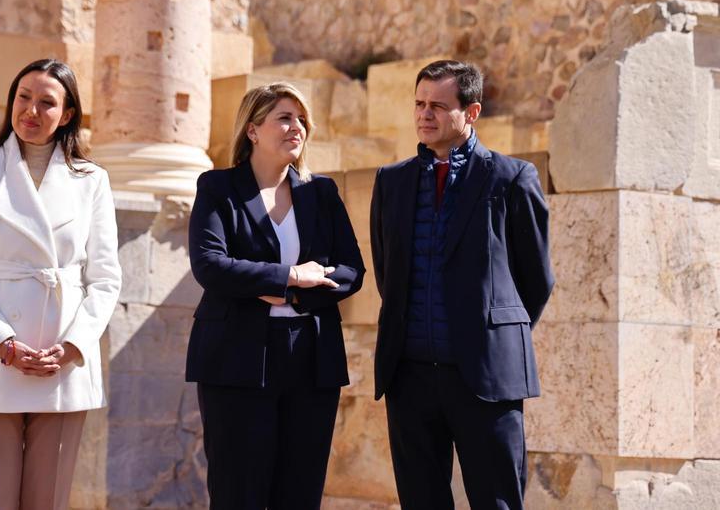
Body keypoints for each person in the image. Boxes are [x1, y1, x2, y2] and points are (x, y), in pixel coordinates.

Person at [370, 60, 554, 509]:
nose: (424, 115)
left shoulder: (511, 178)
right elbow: (386, 269)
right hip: (409, 377)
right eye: (419, 104)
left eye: (438, 105)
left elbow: (536, 279)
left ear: (471, 113)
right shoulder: (390, 181)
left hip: (486, 379)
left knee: (497, 503)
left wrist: (492, 336)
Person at [0, 59, 122, 510]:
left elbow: (104, 277)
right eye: (24, 97)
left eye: (47, 102)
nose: (32, 111)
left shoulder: (92, 181)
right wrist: (2, 342)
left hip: (63, 363)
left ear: (68, 114)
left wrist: (74, 346)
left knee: (49, 502)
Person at [186, 82, 365, 509]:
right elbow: (210, 265)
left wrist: (291, 293)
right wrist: (289, 276)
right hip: (235, 359)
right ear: (252, 129)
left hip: (311, 358)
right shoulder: (218, 188)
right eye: (284, 118)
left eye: (302, 119)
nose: (296, 127)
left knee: (300, 495)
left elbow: (351, 271)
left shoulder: (320, 192)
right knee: (237, 494)